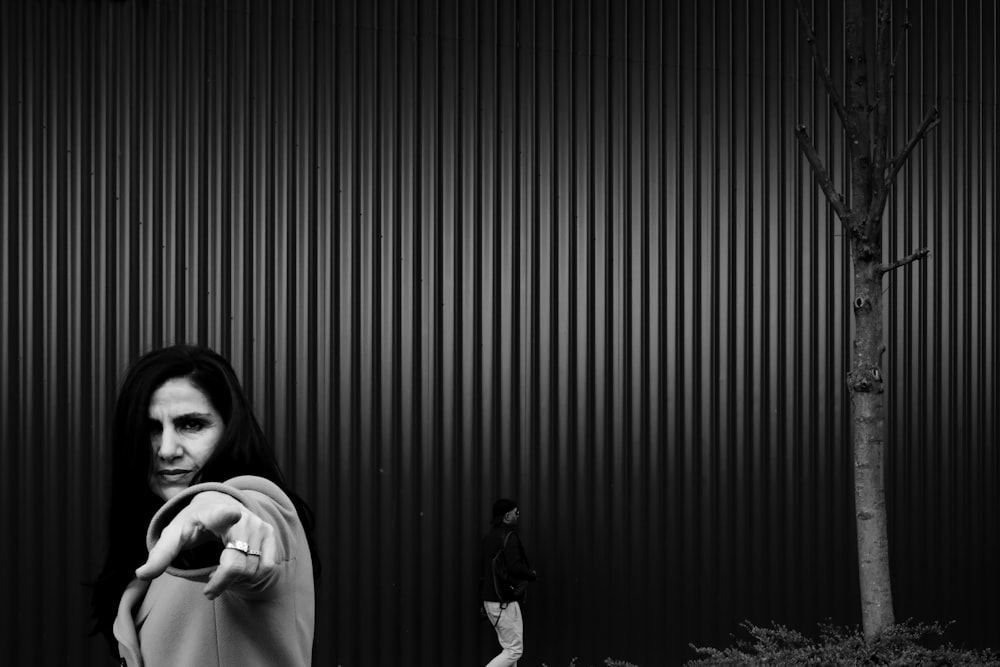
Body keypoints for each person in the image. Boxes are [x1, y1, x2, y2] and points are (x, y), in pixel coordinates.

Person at [91, 345, 318, 666]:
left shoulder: (254, 511)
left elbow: (252, 515)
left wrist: (230, 517)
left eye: (192, 424)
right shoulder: (157, 559)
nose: (167, 449)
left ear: (230, 431)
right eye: (152, 429)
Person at [480, 498, 537, 667]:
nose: (518, 516)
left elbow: (483, 573)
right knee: (515, 650)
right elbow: (515, 567)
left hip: (490, 601)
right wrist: (531, 575)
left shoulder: (489, 538)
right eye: (516, 512)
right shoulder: (509, 536)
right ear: (507, 516)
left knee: (509, 648)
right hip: (504, 601)